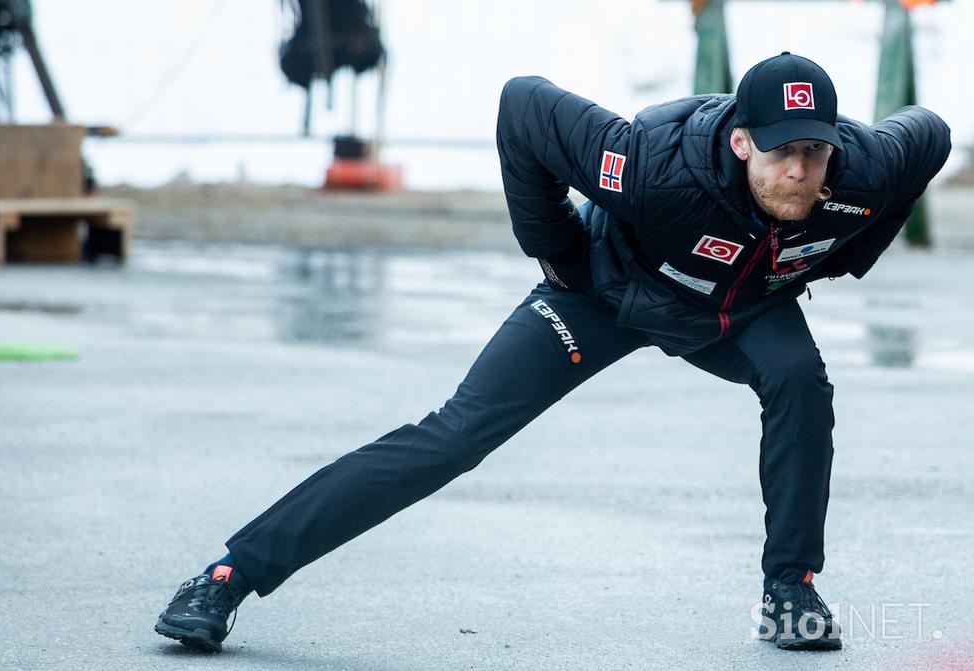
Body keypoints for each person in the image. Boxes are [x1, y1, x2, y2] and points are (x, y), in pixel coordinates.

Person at [154, 52, 950, 653]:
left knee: (801, 378)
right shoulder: (650, 167)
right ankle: (228, 574)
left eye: (813, 153)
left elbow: (934, 137)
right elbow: (522, 107)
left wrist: (840, 252)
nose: (800, 170)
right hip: (601, 294)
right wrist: (558, 251)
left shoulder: (864, 168)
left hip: (738, 309)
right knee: (454, 436)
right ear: (741, 142)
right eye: (781, 153)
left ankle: (791, 588)